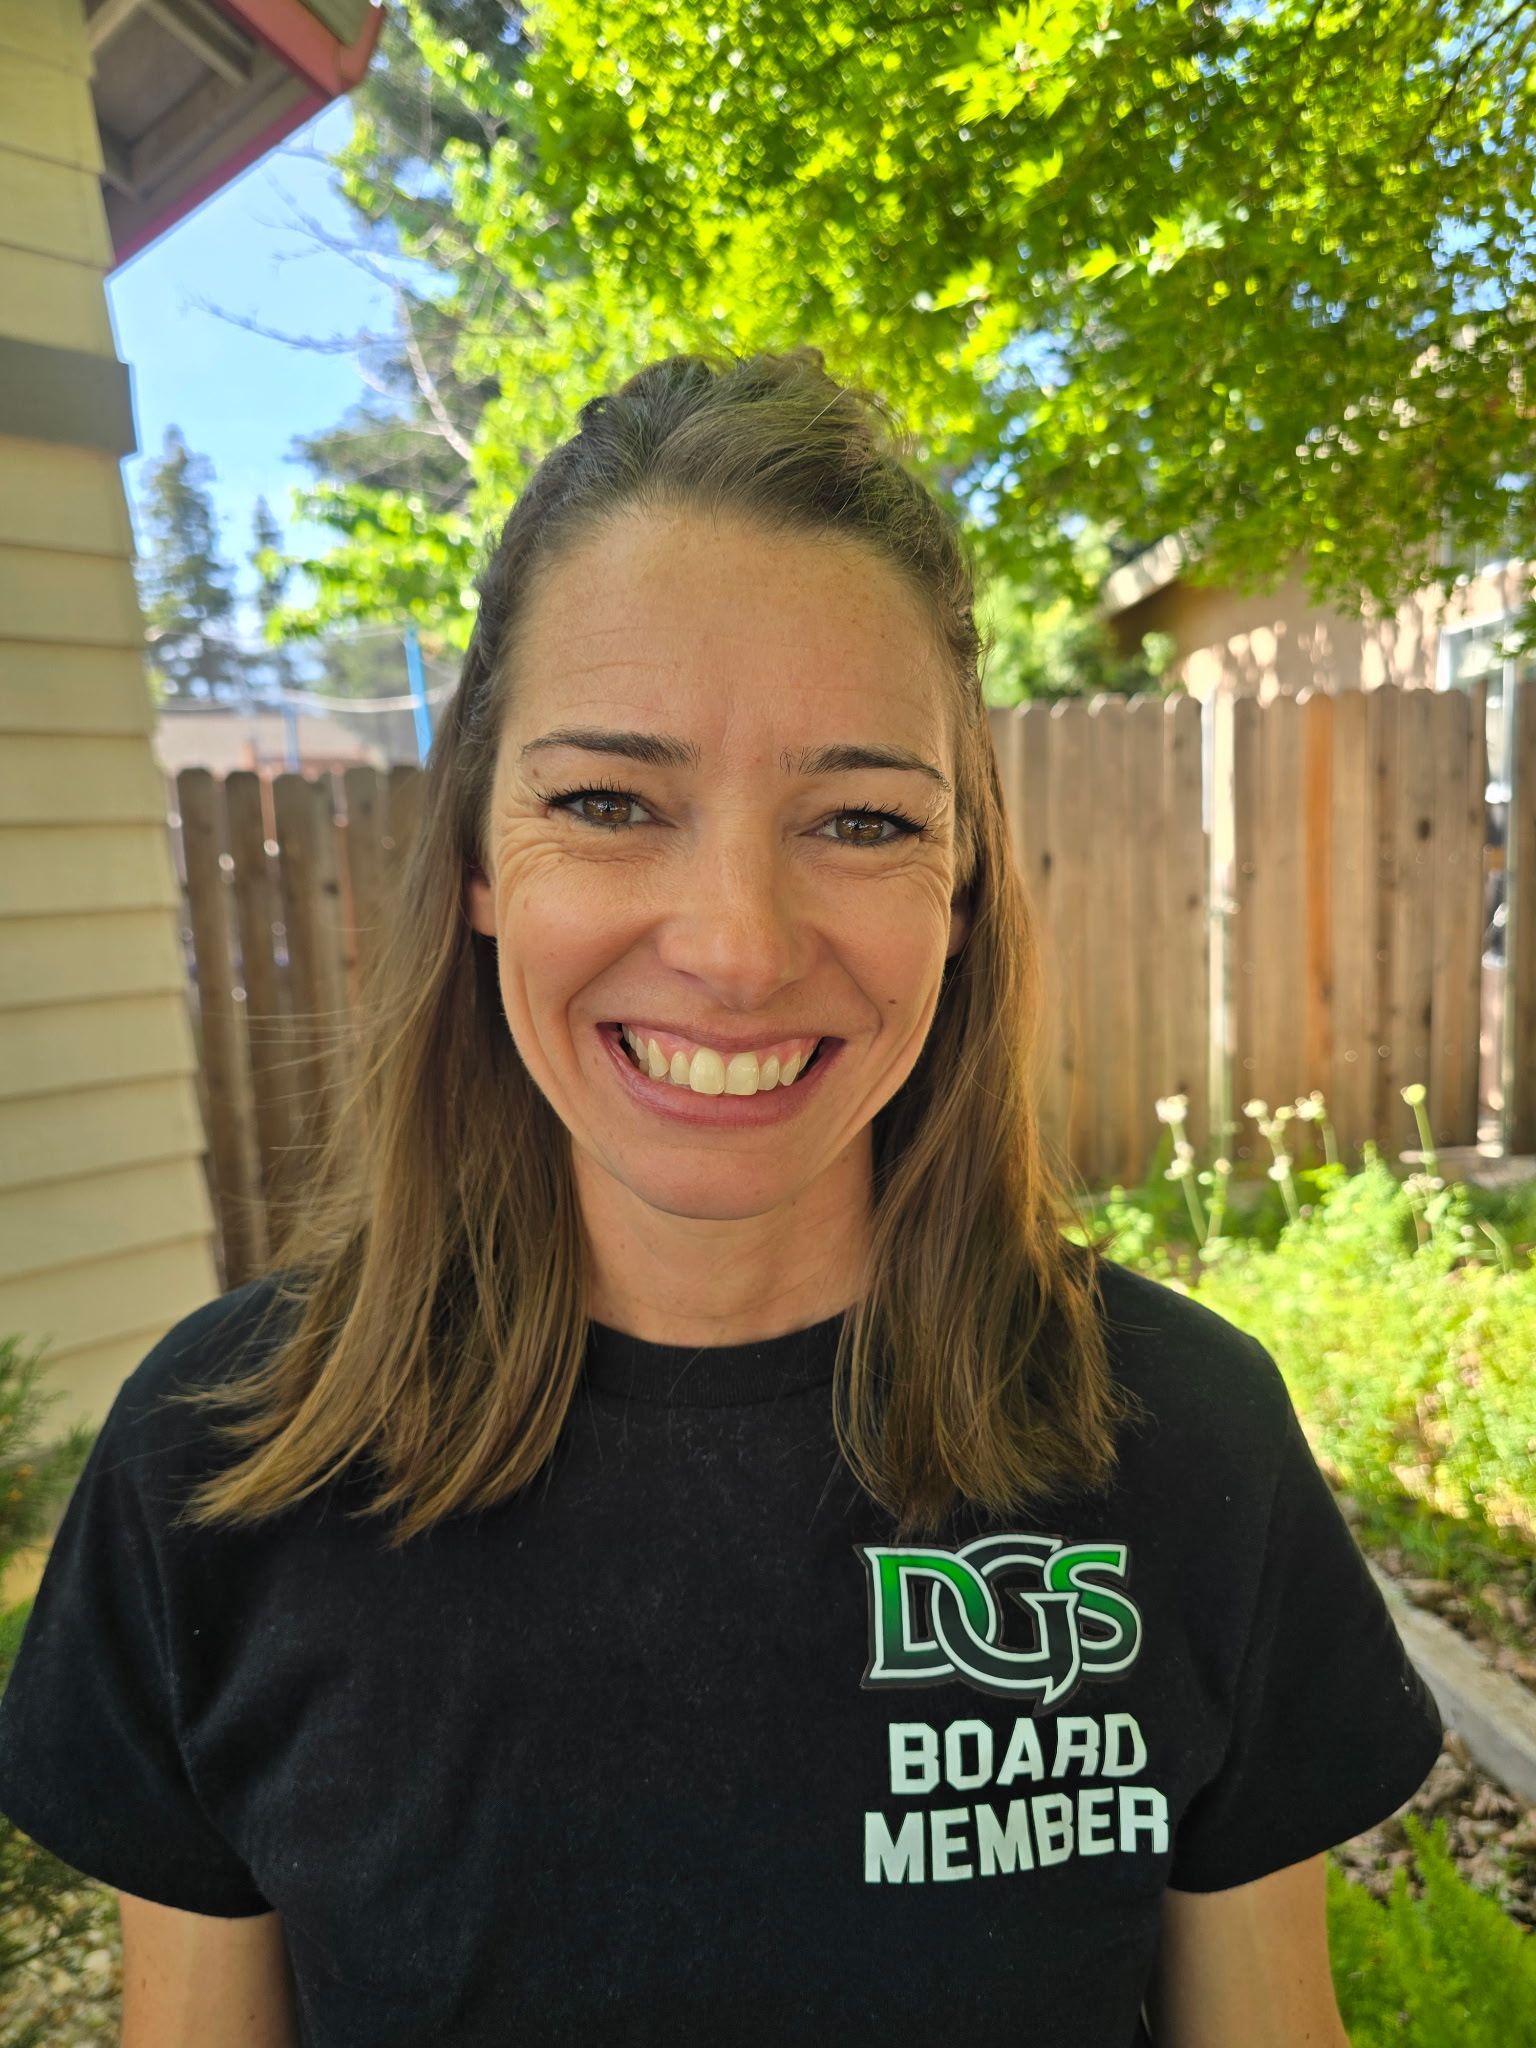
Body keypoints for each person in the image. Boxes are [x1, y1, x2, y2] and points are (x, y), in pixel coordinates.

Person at [0, 347, 1441, 2048]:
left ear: (961, 890)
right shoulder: (218, 1467)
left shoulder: (1188, 1444)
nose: (740, 948)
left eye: (861, 818)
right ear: (474, 861)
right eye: (609, 802)